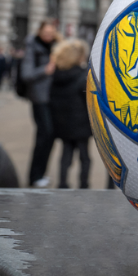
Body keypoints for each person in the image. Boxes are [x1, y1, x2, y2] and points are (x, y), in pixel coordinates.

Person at [22, 18, 61, 188]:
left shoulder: (55, 45)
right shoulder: (32, 46)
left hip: (53, 97)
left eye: (51, 33)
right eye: (45, 33)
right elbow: (26, 74)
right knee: (44, 134)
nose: (48, 36)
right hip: (39, 98)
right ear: (39, 32)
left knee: (50, 135)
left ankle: (41, 173)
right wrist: (45, 70)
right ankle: (34, 175)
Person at [49, 38, 92, 189]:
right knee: (85, 157)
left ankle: (62, 183)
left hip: (63, 123)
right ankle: (84, 184)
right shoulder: (82, 76)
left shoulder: (56, 76)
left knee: (65, 156)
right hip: (81, 123)